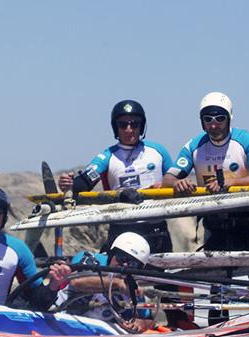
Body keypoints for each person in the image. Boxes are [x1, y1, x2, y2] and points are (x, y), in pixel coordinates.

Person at [162, 91, 249, 254]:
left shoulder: (247, 140)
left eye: (220, 119)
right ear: (202, 122)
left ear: (229, 118)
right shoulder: (193, 146)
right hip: (214, 227)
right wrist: (178, 182)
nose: (214, 125)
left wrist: (230, 182)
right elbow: (167, 180)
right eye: (208, 119)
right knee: (217, 278)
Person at [58, 100, 174, 253]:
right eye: (122, 125)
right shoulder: (107, 156)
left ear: (141, 126)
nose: (128, 129)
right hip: (121, 230)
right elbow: (86, 181)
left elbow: (175, 179)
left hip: (156, 229)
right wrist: (69, 184)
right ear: (115, 127)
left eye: (134, 124)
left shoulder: (158, 151)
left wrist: (165, 184)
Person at [55, 232, 157, 334]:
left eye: (133, 264)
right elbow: (76, 282)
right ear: (112, 254)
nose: (125, 265)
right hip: (60, 320)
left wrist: (142, 323)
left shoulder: (132, 288)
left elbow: (148, 319)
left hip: (94, 333)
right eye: (121, 258)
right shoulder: (90, 259)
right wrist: (117, 284)